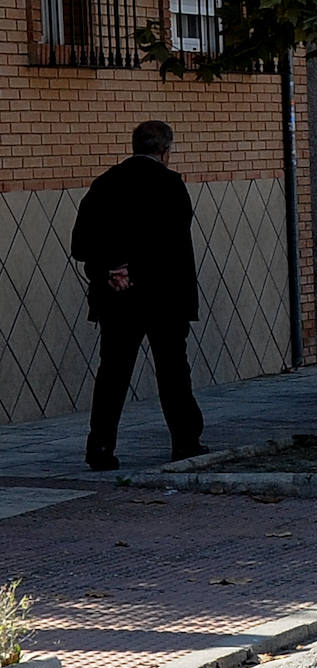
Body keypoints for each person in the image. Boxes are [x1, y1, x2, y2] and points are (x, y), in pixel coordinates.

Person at [71, 120, 205, 471]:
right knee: (173, 370)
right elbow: (172, 242)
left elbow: (81, 241)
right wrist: (136, 270)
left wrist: (113, 269)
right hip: (164, 297)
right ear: (165, 151)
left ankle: (100, 447)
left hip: (117, 297)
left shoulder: (105, 184)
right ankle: (185, 442)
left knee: (112, 373)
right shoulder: (171, 185)